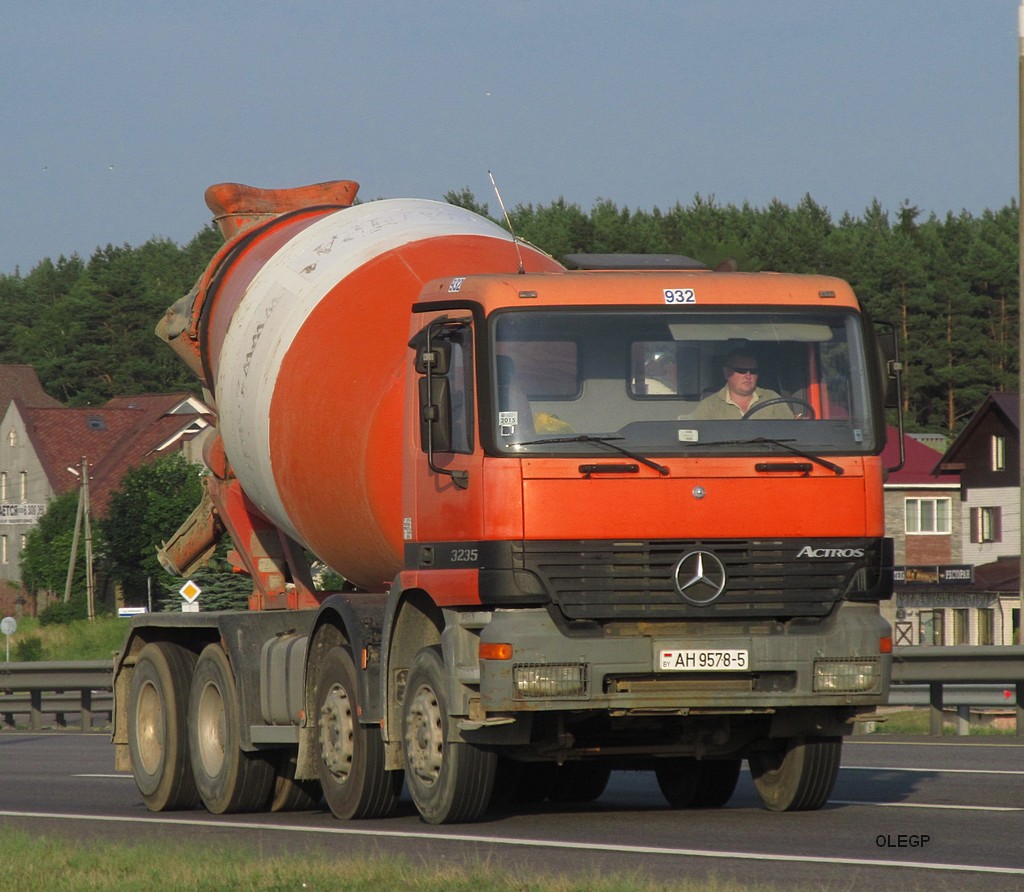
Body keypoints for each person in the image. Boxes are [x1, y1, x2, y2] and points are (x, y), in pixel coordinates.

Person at [690, 349, 794, 419]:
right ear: (727, 372)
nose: (748, 376)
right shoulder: (709, 405)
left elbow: (790, 431)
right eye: (741, 370)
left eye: (753, 371)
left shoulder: (773, 399)